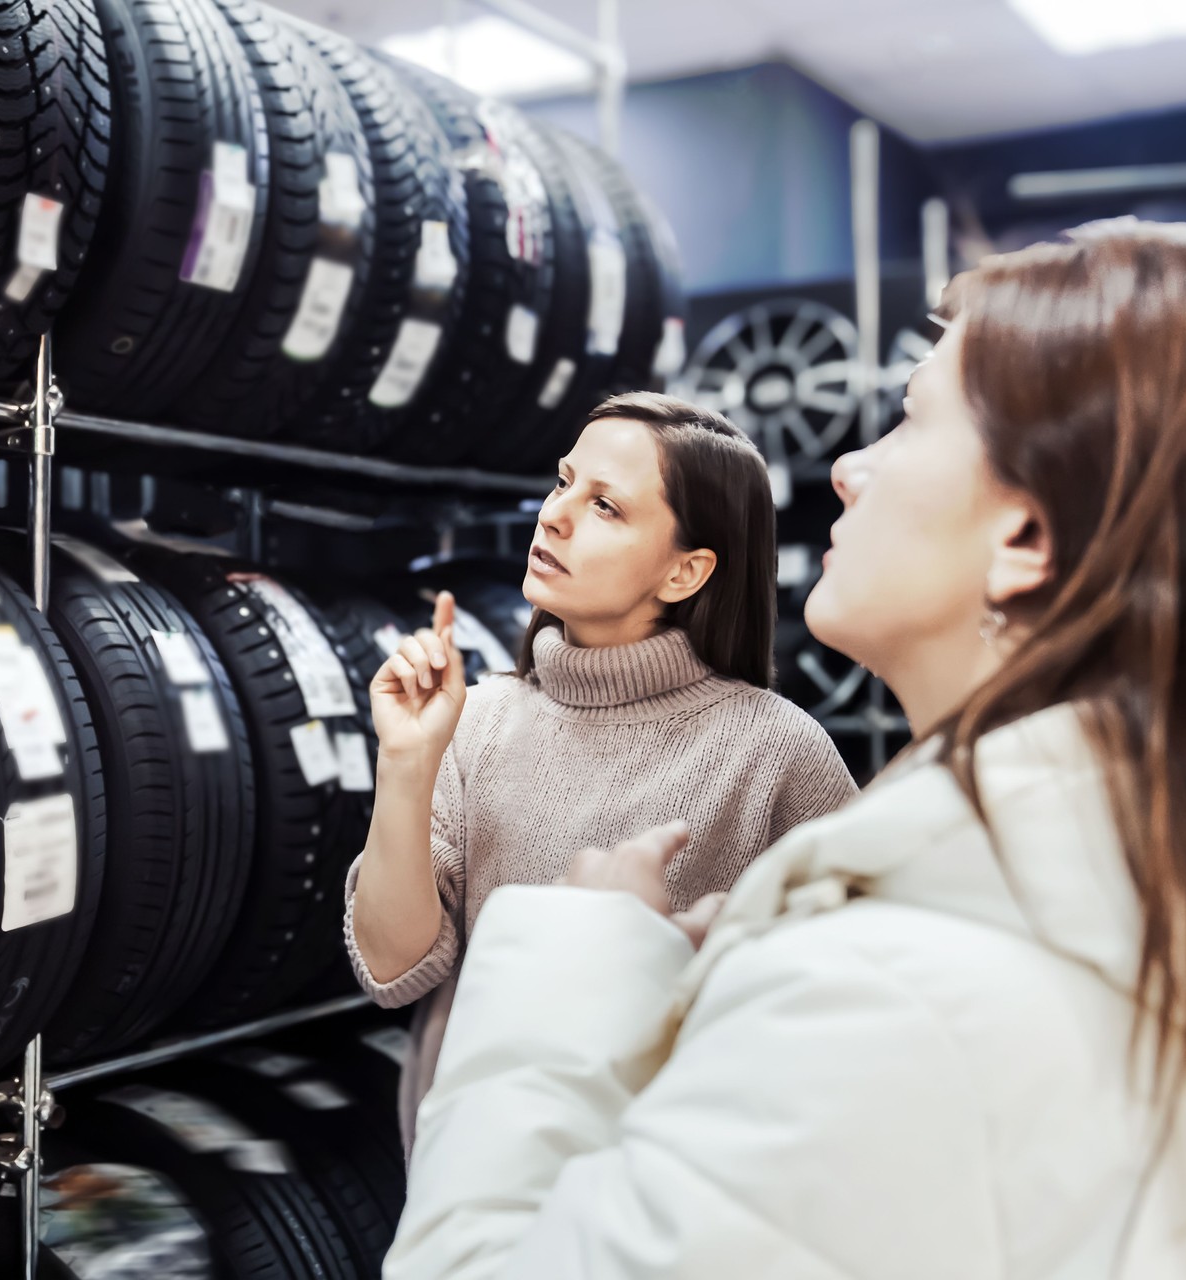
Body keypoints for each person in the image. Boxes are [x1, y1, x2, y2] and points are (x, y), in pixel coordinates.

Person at [387, 220, 1186, 1278]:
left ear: (1023, 538)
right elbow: (395, 959)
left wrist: (586, 954)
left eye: (911, 424)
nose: (845, 466)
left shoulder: (886, 985)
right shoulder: (1133, 886)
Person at [348, 392, 856, 1149]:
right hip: (476, 1173)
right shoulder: (477, 719)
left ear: (686, 572)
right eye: (562, 482)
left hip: (663, 1203)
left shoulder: (777, 750)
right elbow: (395, 968)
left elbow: (842, 1019)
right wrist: (407, 761)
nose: (553, 516)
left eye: (606, 507)